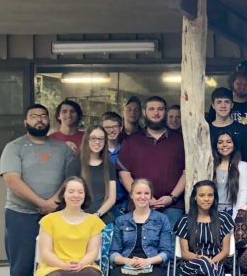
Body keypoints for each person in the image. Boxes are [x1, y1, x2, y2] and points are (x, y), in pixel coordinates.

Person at [0, 104, 78, 276]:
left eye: (43, 116)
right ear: (26, 122)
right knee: (22, 265)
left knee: (57, 263)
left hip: (55, 215)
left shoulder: (62, 148)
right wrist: (40, 202)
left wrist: (53, 201)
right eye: (34, 117)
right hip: (21, 214)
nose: (39, 120)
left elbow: (69, 178)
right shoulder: (14, 148)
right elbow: (12, 180)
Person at [117, 96, 187, 227]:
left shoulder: (180, 140)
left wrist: (172, 197)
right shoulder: (131, 141)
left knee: (169, 247)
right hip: (140, 206)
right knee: (141, 247)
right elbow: (124, 174)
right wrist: (141, 197)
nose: (156, 113)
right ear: (144, 112)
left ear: (165, 112)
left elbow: (186, 173)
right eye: (152, 109)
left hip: (172, 207)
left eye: (160, 109)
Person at [80, 126, 117, 222]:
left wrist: (96, 216)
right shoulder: (75, 164)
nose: (97, 142)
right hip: (79, 218)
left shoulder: (109, 165)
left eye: (101, 139)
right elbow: (69, 195)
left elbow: (112, 198)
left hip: (102, 218)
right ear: (86, 140)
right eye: (93, 138)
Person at [213, 132, 247, 218]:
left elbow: (244, 192)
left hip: (233, 213)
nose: (224, 145)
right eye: (220, 142)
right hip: (212, 214)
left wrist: (237, 216)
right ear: (215, 146)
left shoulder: (243, 166)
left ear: (234, 145)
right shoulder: (210, 166)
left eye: (229, 142)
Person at [209, 86, 247, 155]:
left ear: (232, 105)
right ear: (213, 105)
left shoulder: (244, 131)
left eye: (227, 102)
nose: (223, 105)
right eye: (219, 102)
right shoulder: (206, 131)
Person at [222, 69, 247, 141]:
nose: (242, 87)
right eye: (238, 83)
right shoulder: (222, 104)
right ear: (232, 83)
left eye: (246, 84)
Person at [101, 111, 128, 209]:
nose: (111, 130)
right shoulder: (97, 152)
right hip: (101, 204)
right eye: (107, 127)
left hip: (123, 204)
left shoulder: (126, 150)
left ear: (121, 128)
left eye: (115, 126)